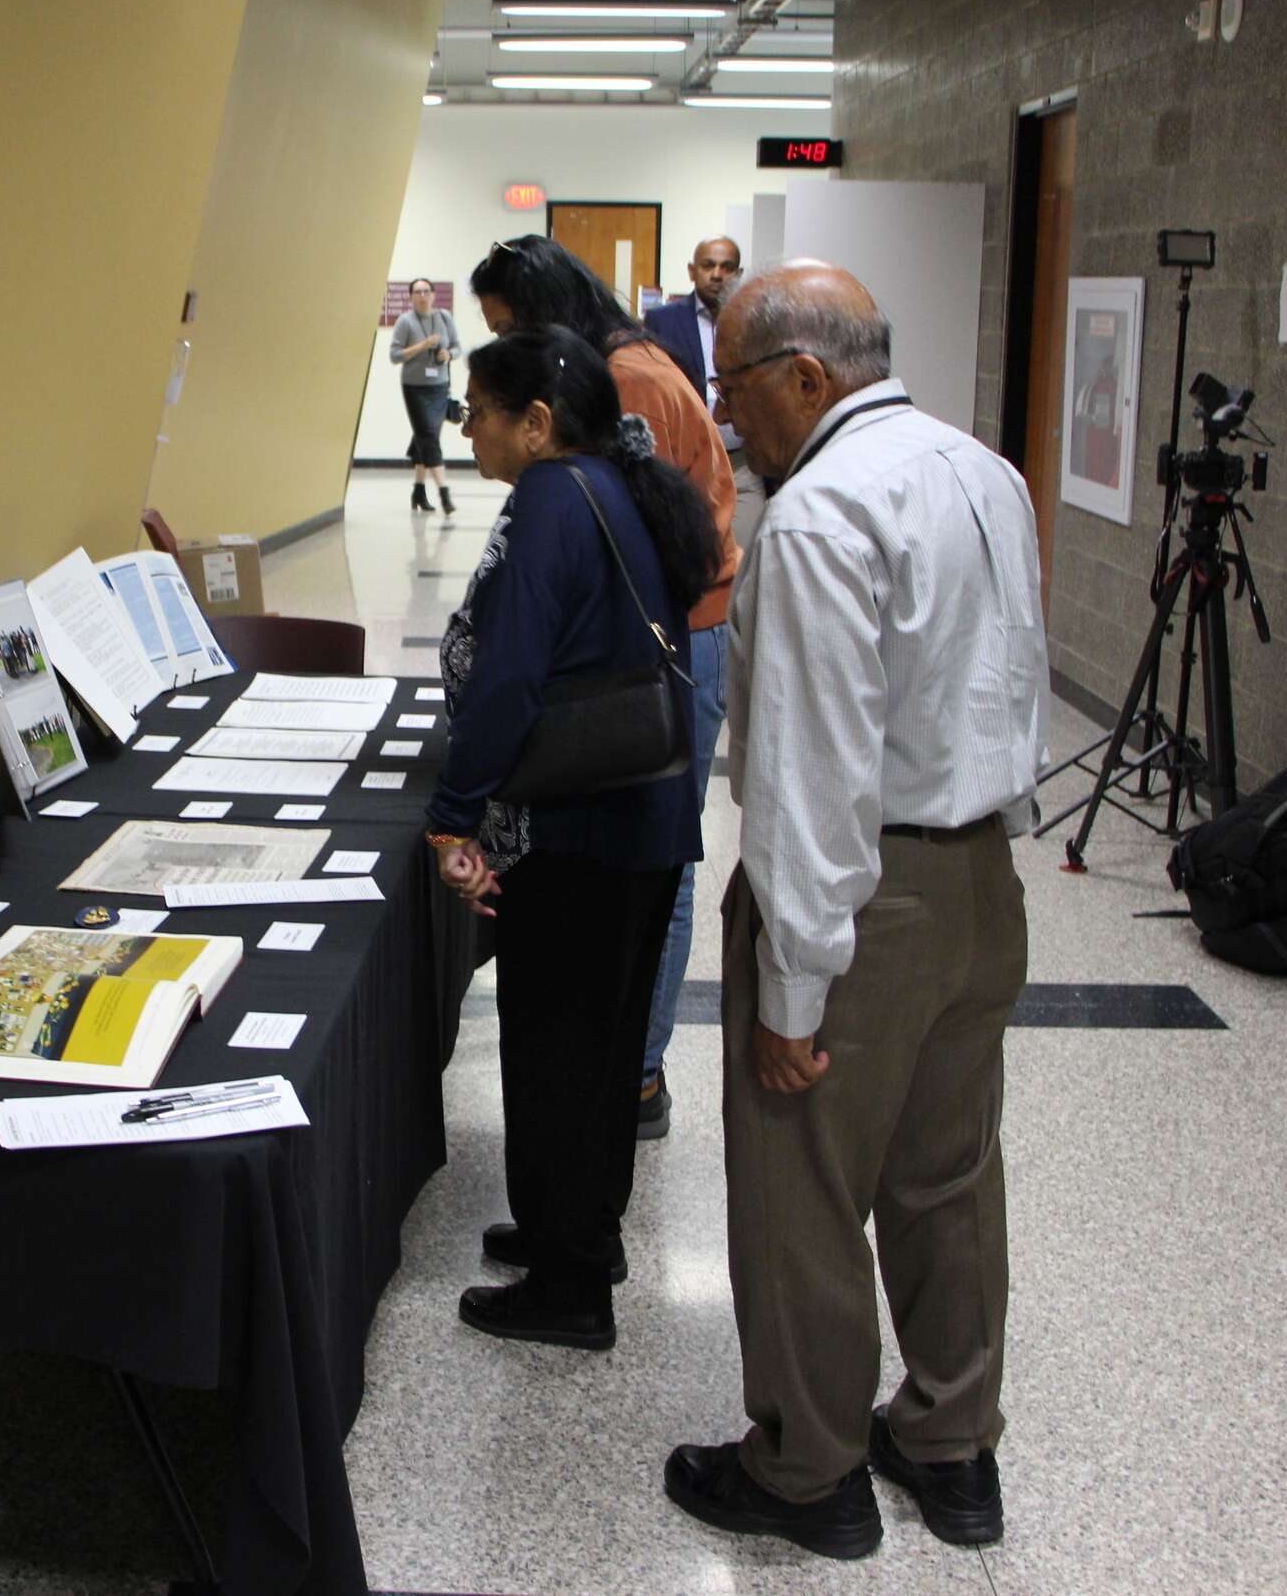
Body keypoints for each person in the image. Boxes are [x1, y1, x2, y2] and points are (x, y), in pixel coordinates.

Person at [662, 262, 1045, 1559]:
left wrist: (793, 985)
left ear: (807, 377)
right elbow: (1013, 680)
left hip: (867, 897)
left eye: (733, 390)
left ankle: (806, 1468)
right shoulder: (984, 471)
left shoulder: (820, 516)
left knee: (802, 1184)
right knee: (947, 1174)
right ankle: (951, 1443)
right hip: (983, 882)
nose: (726, 422)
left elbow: (815, 777)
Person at [424, 324, 717, 1352]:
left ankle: (567, 1285)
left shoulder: (550, 499)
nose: (467, 429)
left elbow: (508, 675)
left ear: (534, 422)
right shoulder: (617, 482)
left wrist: (455, 813)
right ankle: (580, 1231)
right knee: (598, 1047)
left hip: (580, 826)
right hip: (640, 818)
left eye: (477, 411)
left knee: (552, 1047)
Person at [468, 233, 738, 1140]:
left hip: (678, 643)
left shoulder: (635, 379)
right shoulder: (607, 376)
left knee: (658, 852)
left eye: (508, 330)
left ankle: (639, 1071)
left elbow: (638, 545)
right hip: (652, 643)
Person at [645, 235, 742, 413]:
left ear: (738, 275)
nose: (716, 275)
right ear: (692, 271)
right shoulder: (662, 321)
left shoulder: (750, 322)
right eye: (708, 265)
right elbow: (652, 385)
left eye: (727, 268)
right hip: (683, 425)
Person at [389, 277, 460, 513]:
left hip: (439, 386)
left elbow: (458, 347)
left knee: (425, 437)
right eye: (417, 292)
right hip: (414, 387)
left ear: (433, 295)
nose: (422, 296)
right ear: (410, 296)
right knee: (429, 436)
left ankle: (418, 491)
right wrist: (422, 346)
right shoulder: (405, 322)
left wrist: (448, 354)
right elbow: (395, 355)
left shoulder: (444, 318)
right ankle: (444, 493)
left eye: (426, 291)